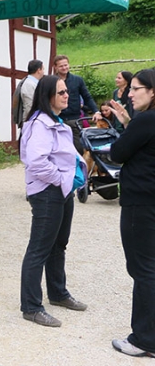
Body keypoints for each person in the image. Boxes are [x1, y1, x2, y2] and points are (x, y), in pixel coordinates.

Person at [19, 74, 88, 328]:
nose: (67, 95)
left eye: (66, 91)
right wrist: (61, 179)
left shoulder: (54, 121)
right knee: (39, 248)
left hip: (61, 190)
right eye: (61, 92)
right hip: (48, 192)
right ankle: (31, 306)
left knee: (59, 244)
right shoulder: (40, 124)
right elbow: (36, 161)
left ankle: (58, 293)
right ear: (47, 96)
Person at [108, 69, 155, 357]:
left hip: (140, 202)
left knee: (142, 269)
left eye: (136, 88)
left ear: (153, 92)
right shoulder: (144, 122)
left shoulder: (147, 120)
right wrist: (129, 123)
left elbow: (117, 153)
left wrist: (129, 126)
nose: (129, 93)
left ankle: (143, 340)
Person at [52, 55, 101, 154]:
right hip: (57, 119)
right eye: (61, 66)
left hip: (75, 119)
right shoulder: (51, 81)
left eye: (66, 65)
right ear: (55, 67)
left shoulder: (77, 80)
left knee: (79, 149)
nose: (64, 68)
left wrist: (96, 111)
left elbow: (87, 97)